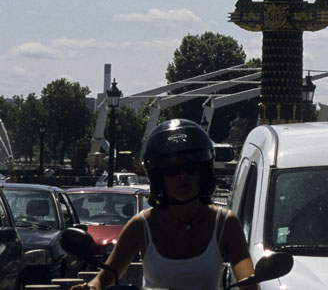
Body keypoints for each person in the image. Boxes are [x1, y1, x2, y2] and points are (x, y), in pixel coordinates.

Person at [77, 119, 255, 290]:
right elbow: (103, 278)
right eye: (171, 170)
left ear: (203, 172)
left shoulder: (226, 223)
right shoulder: (140, 226)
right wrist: (91, 287)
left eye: (191, 167)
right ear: (158, 177)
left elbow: (249, 282)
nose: (182, 176)